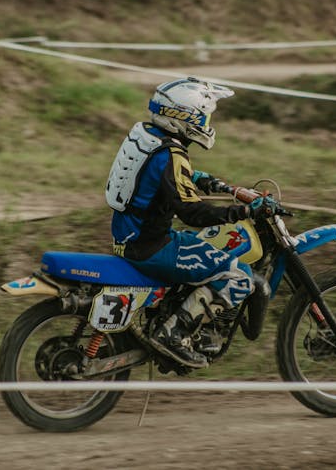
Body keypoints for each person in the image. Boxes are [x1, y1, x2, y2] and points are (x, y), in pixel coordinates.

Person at [105, 77, 275, 367]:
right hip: (152, 247)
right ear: (185, 116)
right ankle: (173, 334)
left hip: (127, 237)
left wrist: (213, 183)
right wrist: (245, 213)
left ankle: (173, 313)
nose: (206, 121)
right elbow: (193, 214)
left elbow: (167, 176)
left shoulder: (146, 135)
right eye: (203, 115)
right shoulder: (171, 154)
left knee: (200, 248)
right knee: (241, 276)